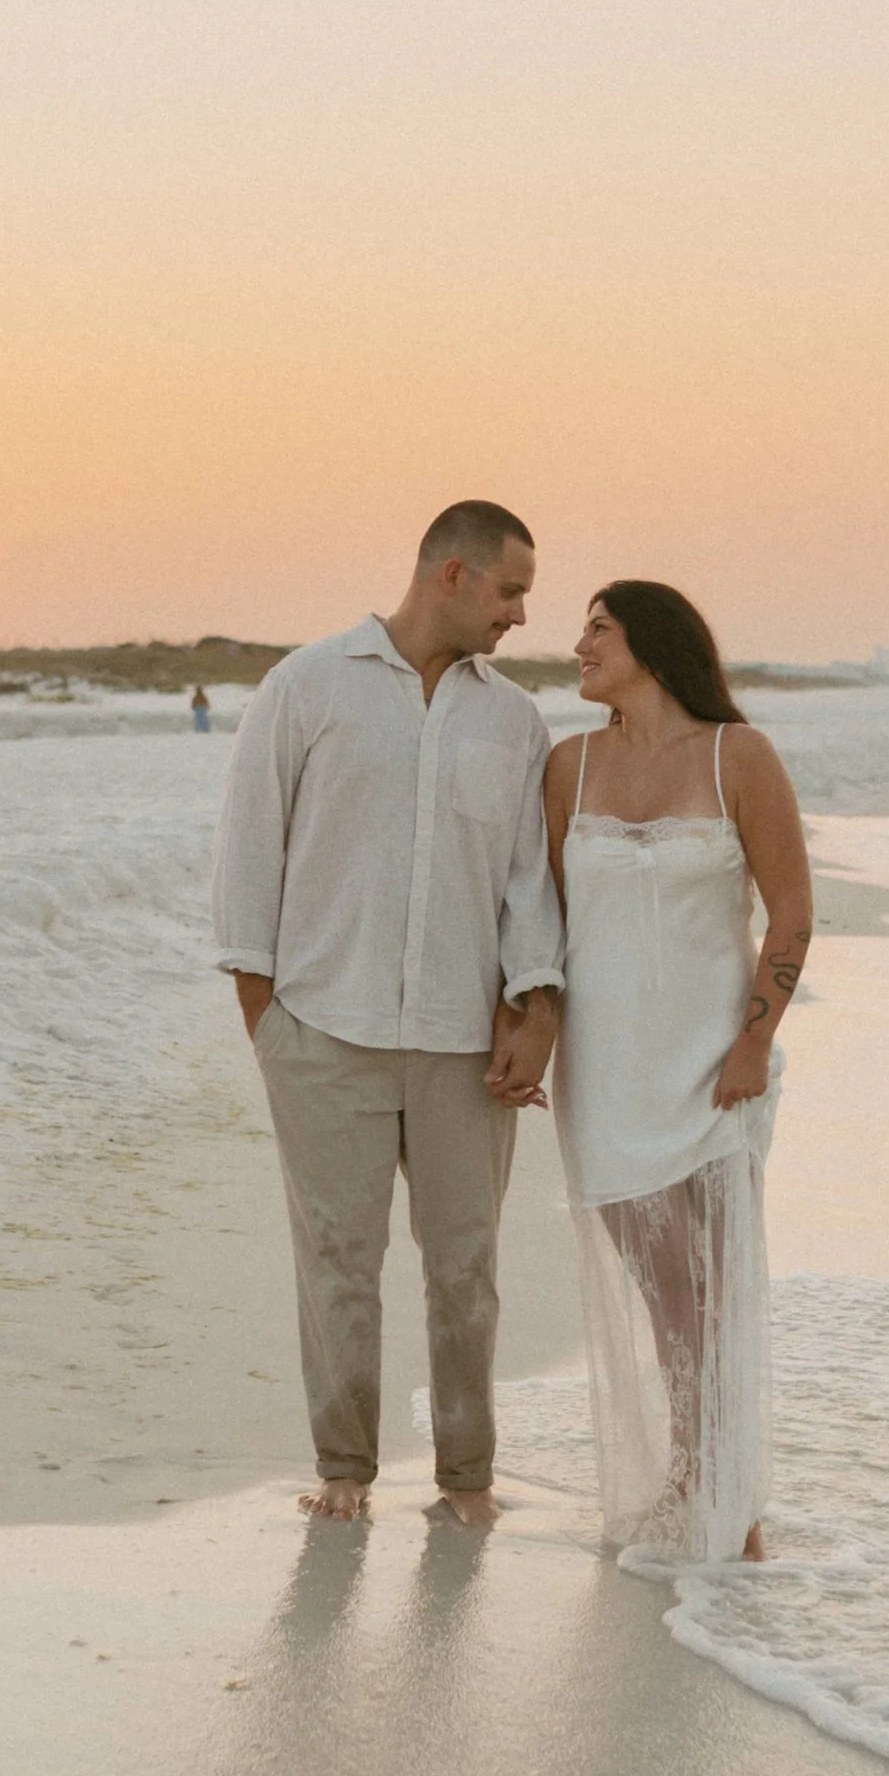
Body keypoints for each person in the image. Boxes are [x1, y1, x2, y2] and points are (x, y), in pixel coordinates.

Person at [210, 503, 562, 1526]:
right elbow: (247, 851)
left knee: (466, 1272)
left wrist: (530, 1002)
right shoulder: (307, 686)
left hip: (463, 1045)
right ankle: (344, 1472)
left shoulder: (513, 719)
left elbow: (526, 882)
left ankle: (467, 1482)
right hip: (322, 1032)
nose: (520, 616)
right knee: (337, 1265)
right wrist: (265, 1017)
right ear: (451, 575)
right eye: (510, 592)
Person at [546, 585, 812, 1564]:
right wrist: (527, 1031)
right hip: (605, 1074)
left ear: (653, 648)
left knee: (712, 1290)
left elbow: (789, 913)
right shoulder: (566, 768)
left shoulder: (736, 756)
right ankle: (694, 1477)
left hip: (711, 1069)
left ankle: (726, 1502)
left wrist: (751, 1043)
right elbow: (539, 921)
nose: (577, 646)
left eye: (597, 631)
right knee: (661, 1295)